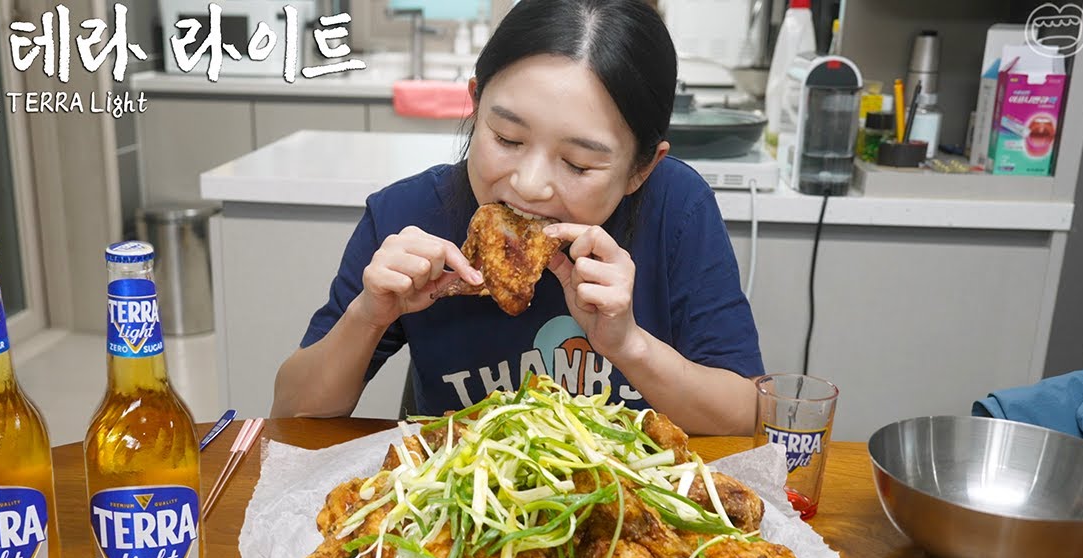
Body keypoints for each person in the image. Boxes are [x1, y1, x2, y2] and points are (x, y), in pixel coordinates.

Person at [272, 0, 763, 435]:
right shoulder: (408, 215)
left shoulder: (675, 209)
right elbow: (292, 413)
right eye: (506, 138)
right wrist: (368, 316)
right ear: (475, 101)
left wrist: (630, 345)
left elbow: (746, 416)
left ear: (641, 169)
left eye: (578, 164)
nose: (529, 184)